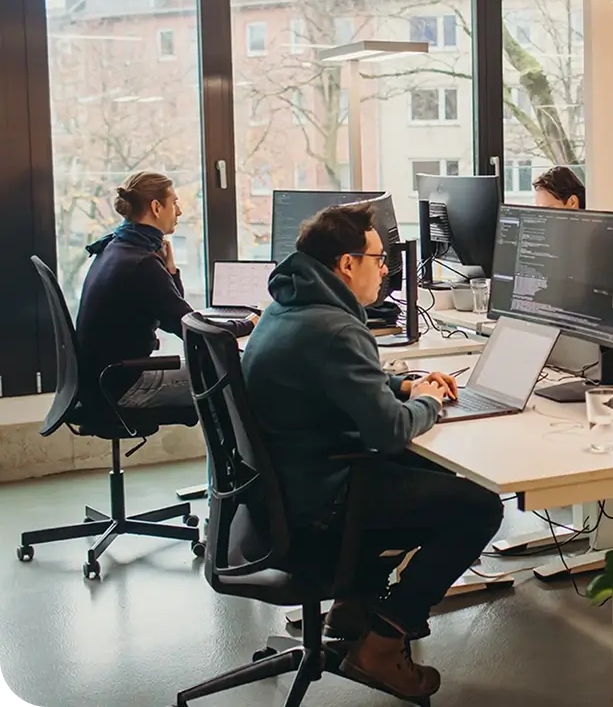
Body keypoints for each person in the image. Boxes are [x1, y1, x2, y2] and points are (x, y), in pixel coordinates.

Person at [242, 202, 503, 702]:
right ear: (347, 264)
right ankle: (385, 641)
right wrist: (428, 401)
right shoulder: (337, 328)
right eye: (379, 259)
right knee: (478, 508)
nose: (386, 270)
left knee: (419, 467)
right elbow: (390, 431)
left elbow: (336, 380)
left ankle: (353, 603)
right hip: (317, 507)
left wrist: (405, 385)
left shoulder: (289, 306)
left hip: (280, 494)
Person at [77, 172, 256, 410]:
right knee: (242, 372)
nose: (179, 211)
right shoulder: (142, 263)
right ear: (156, 207)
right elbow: (193, 331)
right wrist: (250, 323)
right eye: (174, 203)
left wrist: (170, 270)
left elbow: (169, 312)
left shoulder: (115, 247)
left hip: (103, 381)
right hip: (124, 385)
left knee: (217, 368)